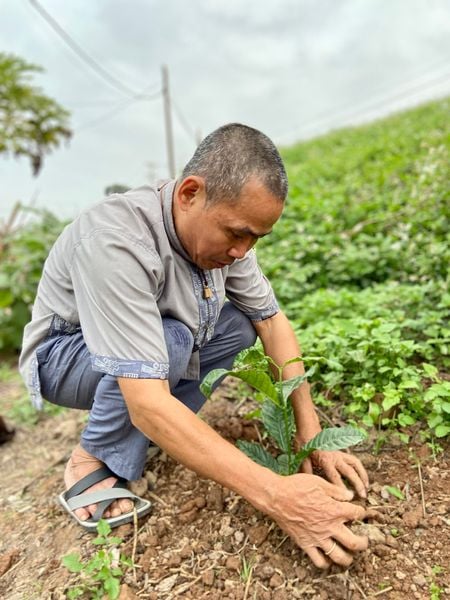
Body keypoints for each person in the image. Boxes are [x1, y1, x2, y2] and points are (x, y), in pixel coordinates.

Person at [19, 123, 369, 569]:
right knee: (171, 341)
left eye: (256, 238)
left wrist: (311, 428)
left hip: (151, 344)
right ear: (189, 194)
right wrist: (277, 495)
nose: (242, 250)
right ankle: (90, 458)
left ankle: (158, 432)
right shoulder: (116, 238)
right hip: (65, 355)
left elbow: (272, 322)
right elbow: (146, 400)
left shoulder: (226, 237)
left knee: (239, 325)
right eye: (237, 233)